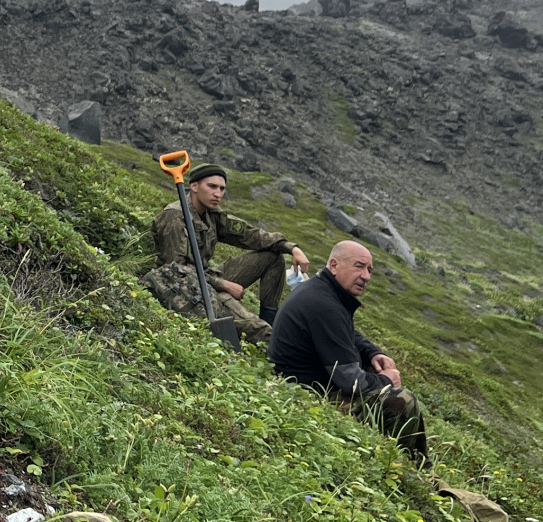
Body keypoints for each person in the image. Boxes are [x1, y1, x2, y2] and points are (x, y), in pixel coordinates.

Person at [268, 241, 428, 461]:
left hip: (305, 381)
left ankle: (413, 462)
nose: (366, 276)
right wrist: (387, 381)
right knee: (403, 400)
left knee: (381, 383)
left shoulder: (322, 292)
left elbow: (347, 334)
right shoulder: (326, 305)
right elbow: (349, 381)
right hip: (307, 394)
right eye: (359, 266)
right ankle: (403, 464)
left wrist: (372, 353)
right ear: (334, 265)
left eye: (369, 270)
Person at [149, 163, 310, 342]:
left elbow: (250, 235)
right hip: (183, 288)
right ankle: (272, 340)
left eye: (222, 188)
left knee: (273, 257)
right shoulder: (174, 217)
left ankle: (270, 320)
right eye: (212, 186)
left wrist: (292, 248)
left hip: (208, 278)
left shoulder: (212, 214)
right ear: (194, 186)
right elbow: (176, 272)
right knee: (258, 330)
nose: (218, 193)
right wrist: (224, 285)